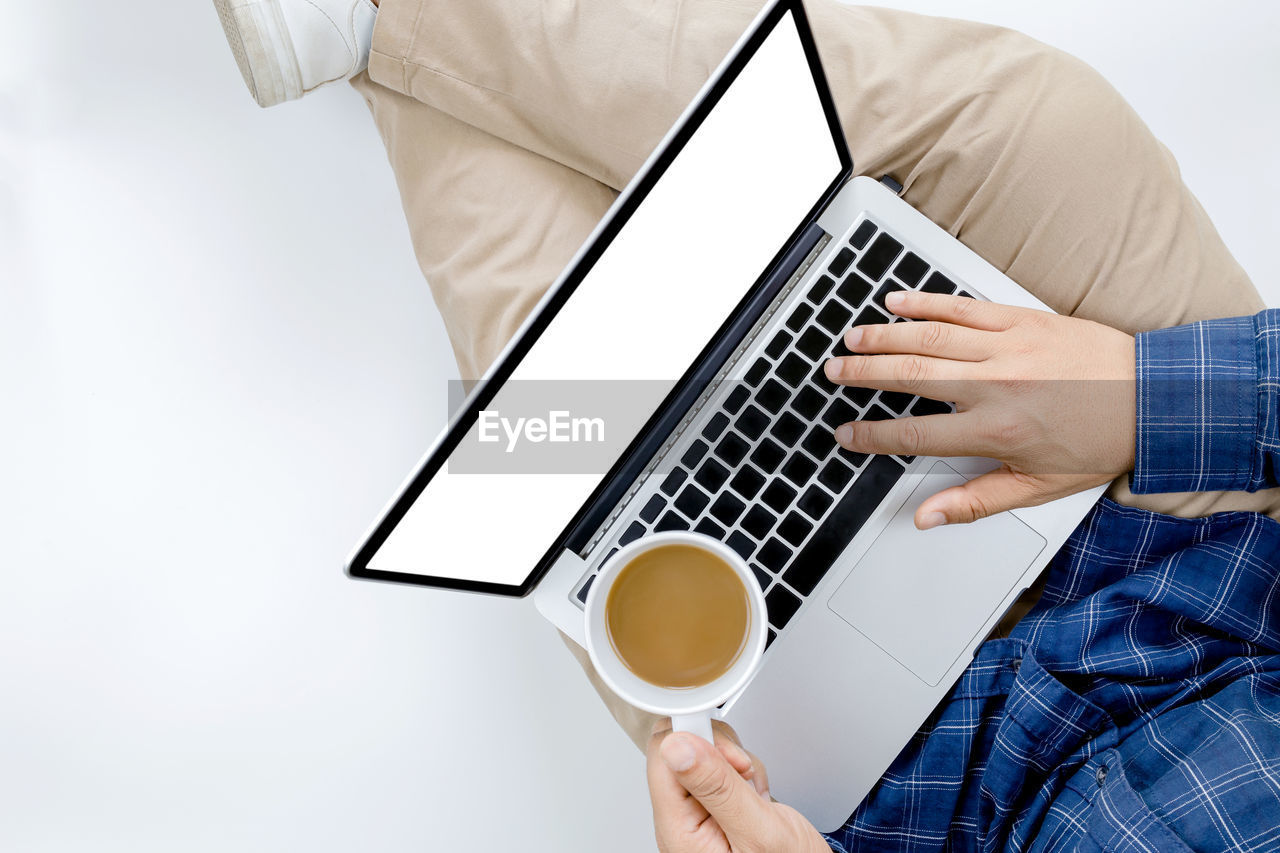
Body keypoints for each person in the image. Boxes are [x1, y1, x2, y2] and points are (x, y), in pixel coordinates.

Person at [214, 0, 1280, 849]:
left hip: (903, 791)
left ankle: (376, 24)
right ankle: (382, 22)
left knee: (570, 438)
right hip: (1210, 539)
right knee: (1036, 124)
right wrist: (1145, 394)